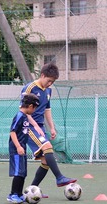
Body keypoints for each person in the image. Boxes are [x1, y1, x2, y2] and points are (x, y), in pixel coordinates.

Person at [20, 63, 76, 197]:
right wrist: (35, 127)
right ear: (42, 75)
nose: (50, 84)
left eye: (53, 82)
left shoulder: (48, 91)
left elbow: (47, 110)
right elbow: (23, 111)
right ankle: (59, 177)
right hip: (28, 126)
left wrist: (52, 127)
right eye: (49, 80)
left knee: (45, 160)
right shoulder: (29, 88)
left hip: (40, 127)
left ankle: (32, 190)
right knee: (48, 147)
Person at [7, 93, 40, 204]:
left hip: (22, 148)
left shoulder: (25, 116)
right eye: (35, 108)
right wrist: (18, 146)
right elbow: (13, 132)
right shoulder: (19, 116)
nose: (34, 111)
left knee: (23, 172)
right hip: (17, 149)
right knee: (18, 172)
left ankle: (19, 193)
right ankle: (13, 194)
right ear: (30, 106)